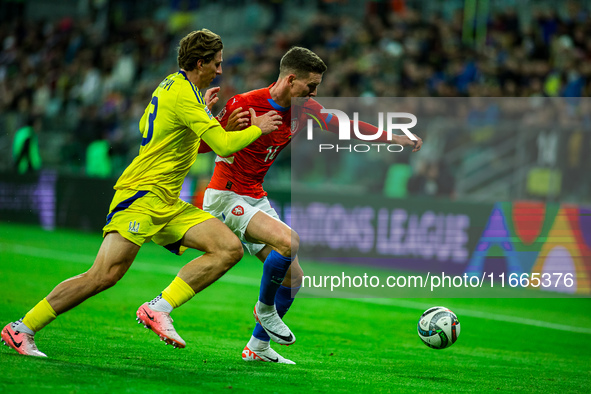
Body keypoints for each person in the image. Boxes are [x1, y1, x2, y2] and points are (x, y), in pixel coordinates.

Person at [1, 29, 282, 357]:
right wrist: (256, 128)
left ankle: (159, 308)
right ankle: (22, 329)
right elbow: (221, 144)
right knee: (103, 276)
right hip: (142, 195)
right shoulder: (183, 94)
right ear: (200, 62)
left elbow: (186, 139)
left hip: (166, 200)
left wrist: (205, 114)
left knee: (228, 248)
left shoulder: (177, 88)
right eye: (216, 64)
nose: (220, 70)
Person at [201, 46, 423, 364]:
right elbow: (202, 148)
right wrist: (213, 121)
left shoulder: (306, 109)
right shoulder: (245, 103)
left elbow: (347, 127)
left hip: (254, 195)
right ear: (292, 79)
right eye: (311, 85)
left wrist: (394, 137)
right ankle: (264, 311)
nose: (315, 92)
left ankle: (257, 348)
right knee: (288, 241)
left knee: (294, 278)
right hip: (226, 193)